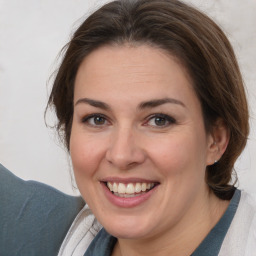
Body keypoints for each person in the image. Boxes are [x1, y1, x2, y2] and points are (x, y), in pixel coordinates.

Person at [0, 0, 255, 255]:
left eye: (159, 120)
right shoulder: (39, 232)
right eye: (97, 119)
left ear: (216, 139)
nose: (121, 155)